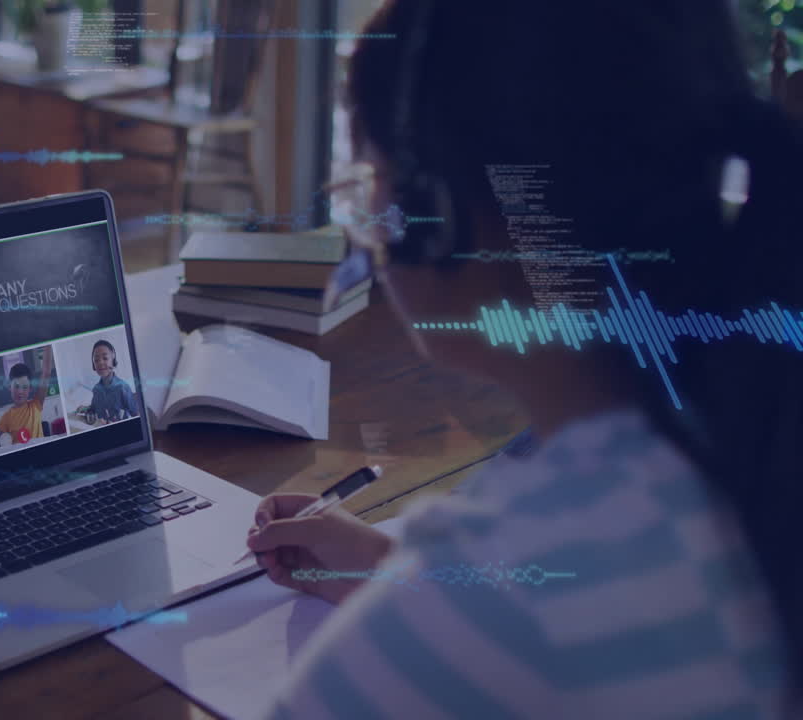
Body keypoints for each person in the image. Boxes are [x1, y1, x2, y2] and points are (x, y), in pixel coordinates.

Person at [244, 2, 802, 717]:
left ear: (435, 210)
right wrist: (398, 579)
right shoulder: (745, 430)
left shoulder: (497, 584)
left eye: (370, 180)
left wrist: (439, 609)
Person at [0, 348, 54, 445]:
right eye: (16, 386)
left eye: (25, 387)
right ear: (10, 386)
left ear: (30, 388)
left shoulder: (36, 404)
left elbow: (46, 372)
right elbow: (4, 446)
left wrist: (48, 345)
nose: (20, 391)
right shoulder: (5, 418)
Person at [88, 340, 137, 423]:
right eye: (96, 360)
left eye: (105, 358)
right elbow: (93, 408)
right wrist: (87, 410)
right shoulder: (96, 389)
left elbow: (135, 414)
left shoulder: (123, 387)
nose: (100, 362)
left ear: (113, 361)